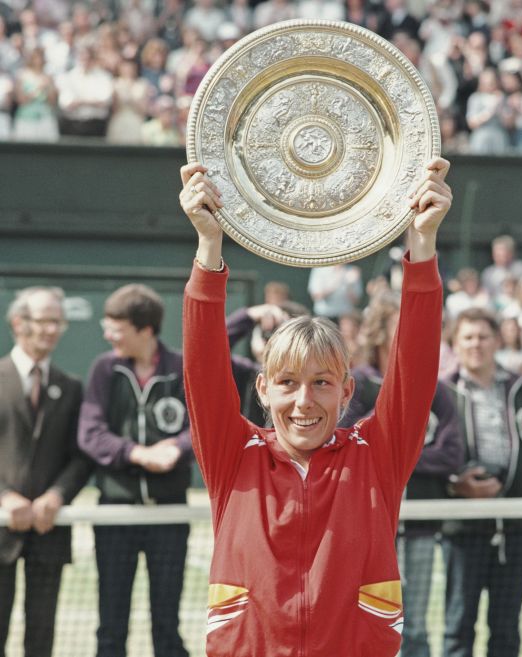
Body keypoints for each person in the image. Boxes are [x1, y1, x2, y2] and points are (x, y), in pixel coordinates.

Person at [179, 156, 452, 657]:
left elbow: (414, 368)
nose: (304, 401)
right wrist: (209, 248)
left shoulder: (376, 456)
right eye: (287, 382)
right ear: (262, 389)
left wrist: (423, 244)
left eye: (322, 383)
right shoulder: (233, 454)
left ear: (347, 392)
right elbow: (202, 368)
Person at [338, 289, 464, 657]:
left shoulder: (434, 391)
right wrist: (394, 456)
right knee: (363, 623)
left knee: (416, 628)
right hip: (363, 528)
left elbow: (452, 454)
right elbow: (347, 452)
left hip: (422, 528)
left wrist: (395, 457)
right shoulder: (356, 385)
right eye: (400, 327)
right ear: (379, 331)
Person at [78, 284, 193, 657]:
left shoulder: (181, 369)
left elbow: (205, 426)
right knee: (111, 623)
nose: (108, 335)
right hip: (115, 514)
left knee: (167, 622)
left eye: (117, 328)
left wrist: (177, 447)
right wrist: (139, 454)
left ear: (145, 330)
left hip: (170, 514)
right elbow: (91, 434)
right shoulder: (104, 369)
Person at [443, 307, 522, 657]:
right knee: (458, 627)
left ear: (498, 340)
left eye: (483, 336)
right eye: (467, 337)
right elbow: (427, 458)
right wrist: (456, 485)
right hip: (463, 532)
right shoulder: (442, 392)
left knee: (507, 630)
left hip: (515, 529)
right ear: (455, 343)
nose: (476, 344)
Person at [0, 286, 91, 657]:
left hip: (49, 530)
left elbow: (81, 457)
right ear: (19, 323)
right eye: (45, 321)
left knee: (42, 636)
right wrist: (4, 498)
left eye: (58, 322)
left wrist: (57, 496)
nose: (52, 330)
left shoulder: (70, 387)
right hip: (1, 529)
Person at [481, 234, 522, 301]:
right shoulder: (488, 273)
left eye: (503, 254)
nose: (500, 257)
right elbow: (486, 295)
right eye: (497, 254)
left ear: (511, 253)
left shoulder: (520, 267)